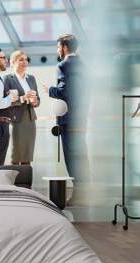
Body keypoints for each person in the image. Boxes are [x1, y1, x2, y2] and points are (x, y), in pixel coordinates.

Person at [44, 34, 90, 201]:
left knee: (71, 157)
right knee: (81, 155)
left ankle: (79, 195)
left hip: (68, 119)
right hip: (81, 118)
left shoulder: (63, 65)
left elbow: (65, 92)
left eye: (58, 47)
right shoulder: (84, 66)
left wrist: (50, 90)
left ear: (64, 47)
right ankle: (85, 192)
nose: (57, 50)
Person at [3, 51, 40, 165]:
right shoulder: (8, 79)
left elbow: (38, 100)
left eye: (26, 59)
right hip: (16, 121)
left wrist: (35, 101)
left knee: (27, 156)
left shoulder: (31, 78)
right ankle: (14, 182)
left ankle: (27, 182)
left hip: (30, 120)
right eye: (21, 59)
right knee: (16, 155)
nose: (25, 62)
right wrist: (23, 98)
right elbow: (5, 102)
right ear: (13, 62)